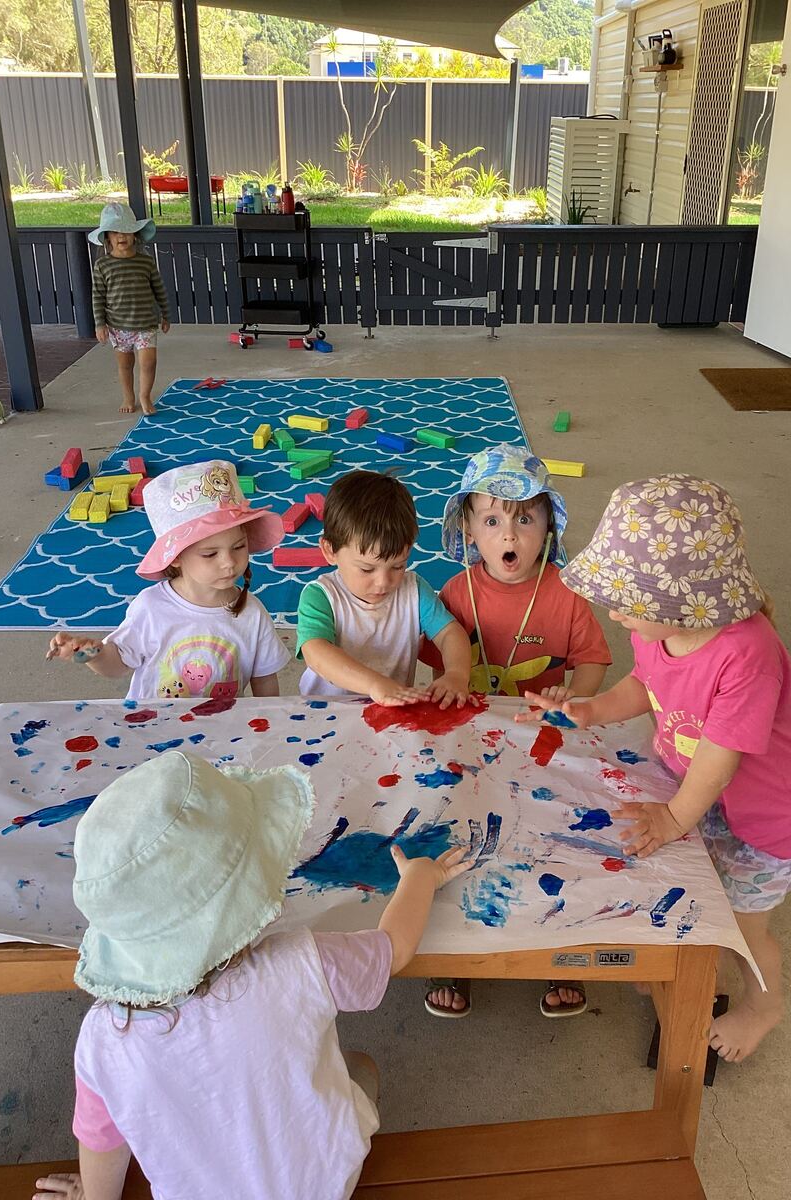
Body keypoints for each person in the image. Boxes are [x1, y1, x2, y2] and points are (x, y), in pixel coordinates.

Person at [30, 750, 469, 1200]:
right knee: (361, 1066)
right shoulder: (302, 962)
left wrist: (92, 1197)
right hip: (323, 1184)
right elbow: (393, 950)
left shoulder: (102, 1040)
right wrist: (420, 877)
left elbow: (102, 1139)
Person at [518, 474, 791, 1062]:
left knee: (742, 923)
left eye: (626, 601)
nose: (612, 611)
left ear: (680, 602)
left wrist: (672, 818)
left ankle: (764, 1005)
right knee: (695, 887)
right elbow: (647, 684)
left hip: (766, 815)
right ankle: (690, 971)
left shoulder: (746, 654)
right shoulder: (661, 629)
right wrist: (589, 711)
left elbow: (720, 757)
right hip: (705, 794)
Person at [420, 445, 612, 1020]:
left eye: (525, 518)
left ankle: (557, 953)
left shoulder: (567, 593)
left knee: (557, 832)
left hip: (543, 738)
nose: (510, 534)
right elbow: (437, 675)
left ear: (548, 527)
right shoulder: (454, 594)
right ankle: (455, 954)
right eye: (494, 519)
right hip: (472, 738)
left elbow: (594, 659)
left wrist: (573, 695)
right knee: (456, 828)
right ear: (470, 530)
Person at [47, 461, 290, 701]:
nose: (229, 562)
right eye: (210, 554)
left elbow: (265, 678)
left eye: (239, 546)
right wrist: (95, 655)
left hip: (223, 730)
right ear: (174, 557)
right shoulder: (151, 607)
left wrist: (269, 724)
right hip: (154, 729)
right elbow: (118, 664)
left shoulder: (252, 612)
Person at [296, 470, 473, 708]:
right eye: (367, 569)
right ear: (330, 551)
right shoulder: (321, 596)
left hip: (389, 712)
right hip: (326, 713)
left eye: (398, 566)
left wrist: (456, 674)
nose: (383, 582)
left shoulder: (414, 589)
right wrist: (373, 684)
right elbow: (316, 652)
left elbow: (450, 633)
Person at [88, 203, 171, 416]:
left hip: (146, 323)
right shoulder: (103, 265)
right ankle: (128, 396)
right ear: (107, 237)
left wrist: (165, 313)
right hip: (118, 326)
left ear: (135, 235)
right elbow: (98, 296)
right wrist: (100, 324)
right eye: (115, 232)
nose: (121, 236)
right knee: (125, 365)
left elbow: (159, 289)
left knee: (149, 362)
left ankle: (145, 395)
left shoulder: (145, 262)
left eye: (126, 231)